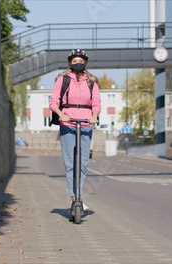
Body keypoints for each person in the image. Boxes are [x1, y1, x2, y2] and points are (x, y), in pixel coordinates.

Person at [49, 49, 101, 211]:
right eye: (74, 61)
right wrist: (60, 114)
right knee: (70, 163)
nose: (77, 63)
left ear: (85, 62)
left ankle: (78, 195)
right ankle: (74, 197)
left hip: (86, 124)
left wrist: (95, 115)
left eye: (80, 60)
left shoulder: (92, 81)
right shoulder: (62, 79)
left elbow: (97, 103)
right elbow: (53, 102)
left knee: (83, 164)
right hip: (68, 123)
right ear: (70, 63)